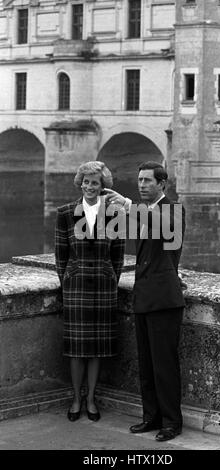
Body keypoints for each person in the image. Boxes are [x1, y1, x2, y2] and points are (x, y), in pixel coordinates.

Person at [105, 161, 186, 442]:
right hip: (145, 296)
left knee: (164, 364)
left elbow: (166, 231)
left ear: (162, 184)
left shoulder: (172, 209)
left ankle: (172, 422)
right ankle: (151, 417)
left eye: (148, 181)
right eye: (139, 180)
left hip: (164, 299)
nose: (141, 184)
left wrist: (128, 204)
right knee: (147, 364)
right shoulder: (145, 213)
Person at [55, 161, 125, 422]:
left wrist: (110, 278)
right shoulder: (65, 213)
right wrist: (67, 281)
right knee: (76, 349)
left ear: (103, 186)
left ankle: (92, 399)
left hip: (104, 287)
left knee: (97, 348)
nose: (89, 186)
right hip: (75, 286)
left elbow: (118, 255)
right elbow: (60, 254)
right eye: (85, 182)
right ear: (80, 183)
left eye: (94, 182)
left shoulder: (114, 214)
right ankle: (76, 399)